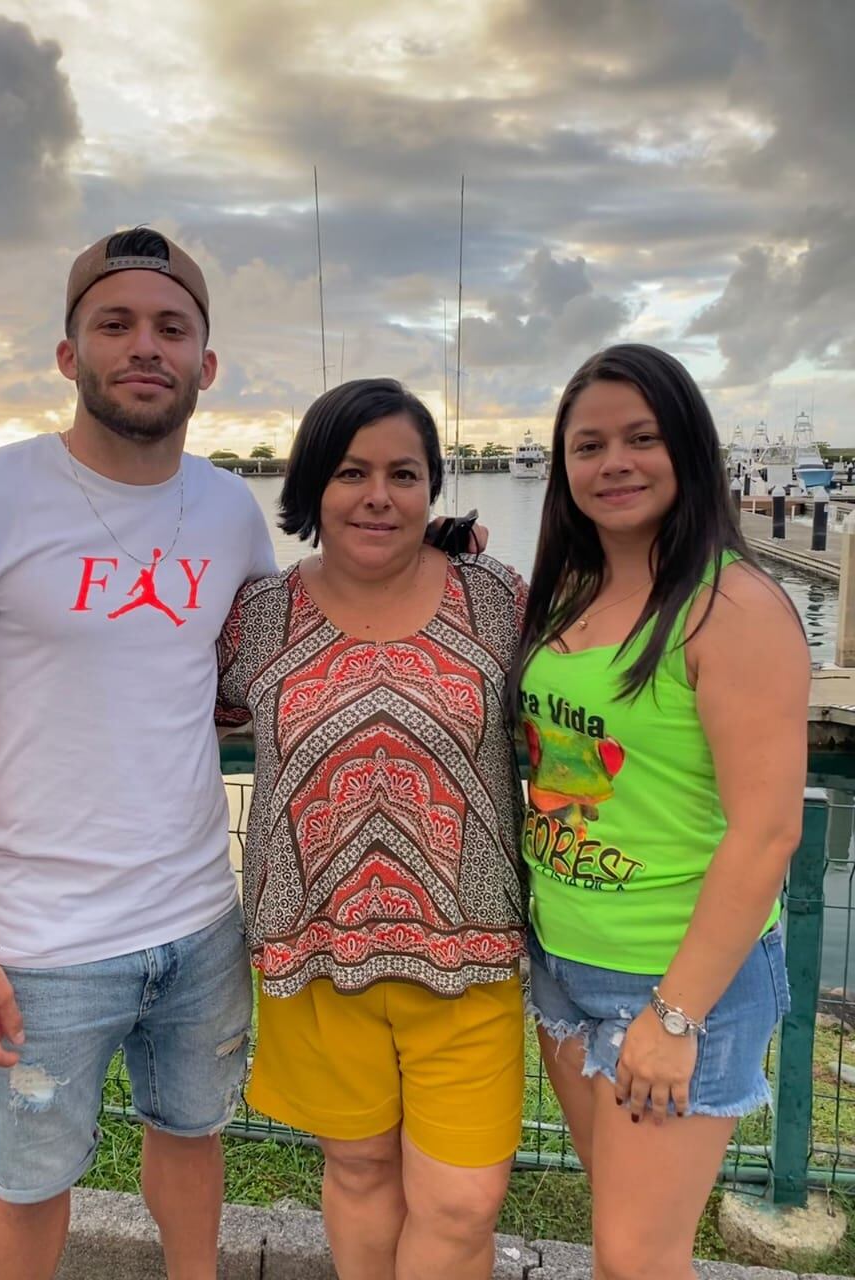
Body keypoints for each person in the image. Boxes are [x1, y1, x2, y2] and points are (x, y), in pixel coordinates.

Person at [0, 228, 278, 1280]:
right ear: (69, 354)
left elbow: (250, 674)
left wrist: (433, 555)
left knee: (194, 1135)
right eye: (115, 323)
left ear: (207, 362)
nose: (143, 345)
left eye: (171, 326)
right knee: (28, 1177)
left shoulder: (229, 507)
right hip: (37, 937)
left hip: (201, 910)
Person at [215, 378, 528, 1280]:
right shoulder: (260, 614)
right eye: (352, 472)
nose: (378, 495)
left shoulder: (497, 600)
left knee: (463, 1203)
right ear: (314, 485)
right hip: (316, 954)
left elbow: (576, 714)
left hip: (468, 958)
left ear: (433, 487)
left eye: (404, 472)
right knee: (355, 1170)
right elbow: (171, 715)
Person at [514, 344, 809, 1280]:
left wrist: (676, 1016)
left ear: (688, 448)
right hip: (567, 959)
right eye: (588, 445)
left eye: (641, 438)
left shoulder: (733, 607)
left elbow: (768, 831)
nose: (615, 464)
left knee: (638, 1259)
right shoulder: (572, 592)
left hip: (680, 983)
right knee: (625, 1236)